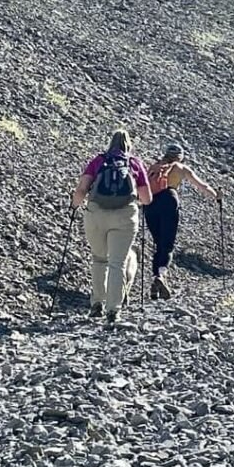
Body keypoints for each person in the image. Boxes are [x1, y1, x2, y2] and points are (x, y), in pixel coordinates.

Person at [73, 130, 151, 326]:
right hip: (125, 216)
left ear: (110, 143)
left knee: (99, 259)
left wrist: (74, 206)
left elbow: (82, 189)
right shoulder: (134, 163)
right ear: (129, 145)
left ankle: (96, 304)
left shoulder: (98, 161)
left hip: (97, 215)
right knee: (118, 263)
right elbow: (147, 198)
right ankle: (113, 311)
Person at [144, 142, 219, 298]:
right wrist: (216, 196)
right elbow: (201, 185)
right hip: (169, 200)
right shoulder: (180, 168)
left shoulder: (153, 167)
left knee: (158, 243)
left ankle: (154, 281)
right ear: (180, 156)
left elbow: (141, 186)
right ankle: (161, 275)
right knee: (168, 244)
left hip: (150, 204)